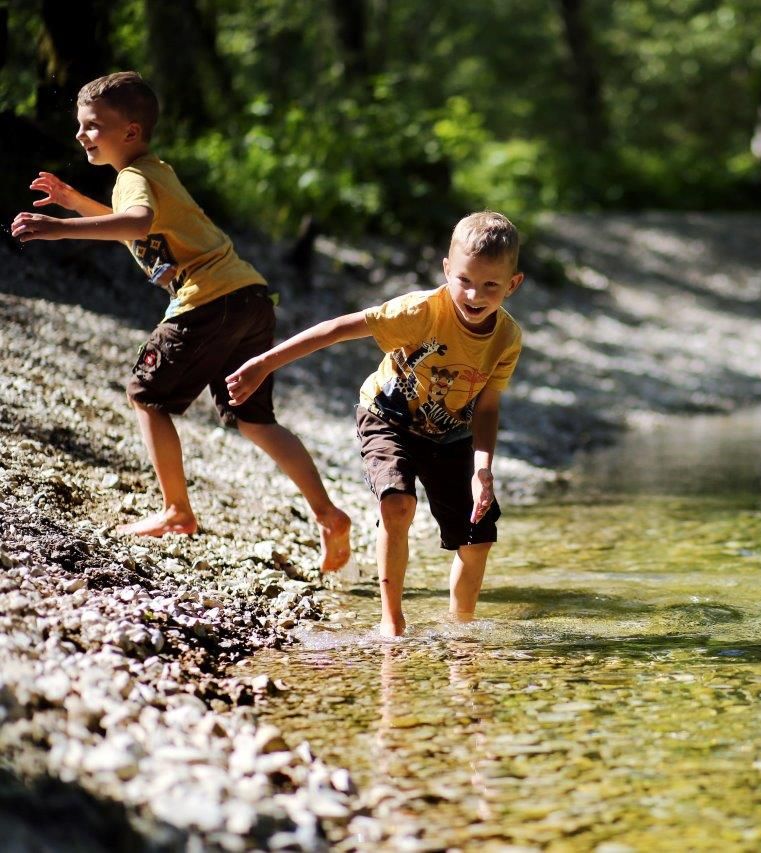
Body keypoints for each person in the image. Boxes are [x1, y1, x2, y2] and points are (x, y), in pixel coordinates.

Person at [9, 71, 351, 571]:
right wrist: (75, 202)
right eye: (80, 126)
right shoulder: (153, 171)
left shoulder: (133, 179)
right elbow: (136, 229)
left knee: (145, 394)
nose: (81, 136)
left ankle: (175, 511)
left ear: (130, 132)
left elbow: (135, 224)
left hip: (208, 299)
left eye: (92, 126)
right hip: (250, 298)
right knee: (255, 420)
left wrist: (58, 228)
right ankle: (328, 515)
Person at [226, 211, 525, 637]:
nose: (474, 295)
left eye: (490, 285)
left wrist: (483, 469)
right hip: (389, 417)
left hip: (452, 434)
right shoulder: (420, 311)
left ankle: (464, 633)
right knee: (398, 505)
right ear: (446, 269)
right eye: (464, 280)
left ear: (513, 284)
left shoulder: (507, 338)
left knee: (477, 537)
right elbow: (336, 330)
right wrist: (263, 364)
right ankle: (392, 621)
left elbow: (489, 407)